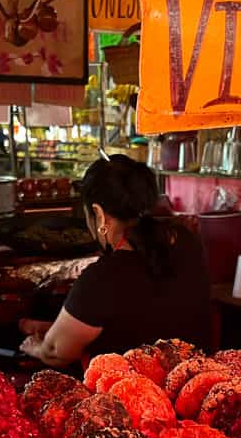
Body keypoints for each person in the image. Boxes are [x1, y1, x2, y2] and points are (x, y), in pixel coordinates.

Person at [20, 155, 210, 367]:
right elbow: (151, 314)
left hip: (130, 392)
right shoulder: (186, 240)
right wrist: (57, 326)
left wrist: (34, 346)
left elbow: (56, 352)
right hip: (191, 376)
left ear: (99, 214)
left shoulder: (101, 277)